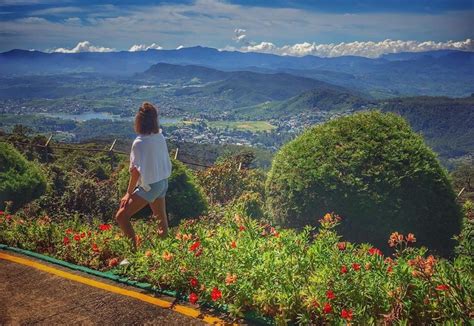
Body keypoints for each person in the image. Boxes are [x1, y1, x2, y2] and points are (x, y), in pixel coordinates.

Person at [115, 102, 172, 250]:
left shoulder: (139, 143)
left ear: (139, 121)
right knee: (161, 222)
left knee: (121, 216)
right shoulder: (159, 136)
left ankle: (133, 253)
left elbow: (135, 172)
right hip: (163, 183)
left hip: (150, 186)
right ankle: (164, 255)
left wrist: (128, 194)